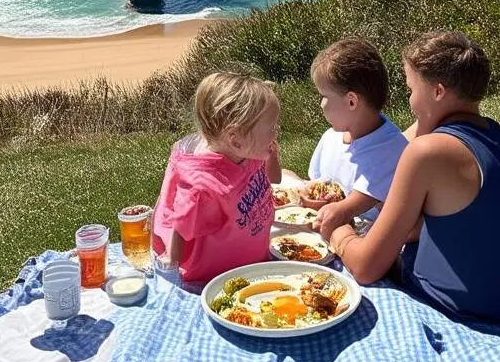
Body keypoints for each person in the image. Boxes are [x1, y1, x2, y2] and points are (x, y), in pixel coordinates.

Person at [321, 31, 500, 326]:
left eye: (411, 90)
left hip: (474, 309)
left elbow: (366, 267)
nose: (410, 101)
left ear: (438, 92)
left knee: (378, 243)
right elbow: (414, 132)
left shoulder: (427, 152)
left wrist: (339, 232)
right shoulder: (493, 133)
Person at [151, 71, 282, 287]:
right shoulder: (205, 187)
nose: (276, 133)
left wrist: (272, 157)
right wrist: (171, 272)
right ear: (235, 138)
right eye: (271, 128)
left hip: (253, 263)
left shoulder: (249, 154)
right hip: (215, 278)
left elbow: (274, 179)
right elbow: (181, 229)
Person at [303, 38, 409, 233]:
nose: (321, 105)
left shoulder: (393, 151)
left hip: (364, 245)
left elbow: (350, 207)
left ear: (352, 101)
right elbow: (317, 186)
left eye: (324, 96)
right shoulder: (331, 138)